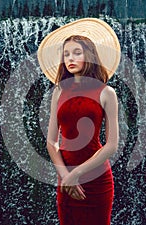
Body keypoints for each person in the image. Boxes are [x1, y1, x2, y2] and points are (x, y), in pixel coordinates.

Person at [37, 18, 121, 225]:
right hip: (65, 177)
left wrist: (78, 174)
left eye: (77, 53)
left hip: (97, 178)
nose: (70, 58)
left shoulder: (106, 93)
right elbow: (51, 141)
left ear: (89, 56)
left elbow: (112, 145)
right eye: (66, 54)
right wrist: (66, 176)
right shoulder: (59, 91)